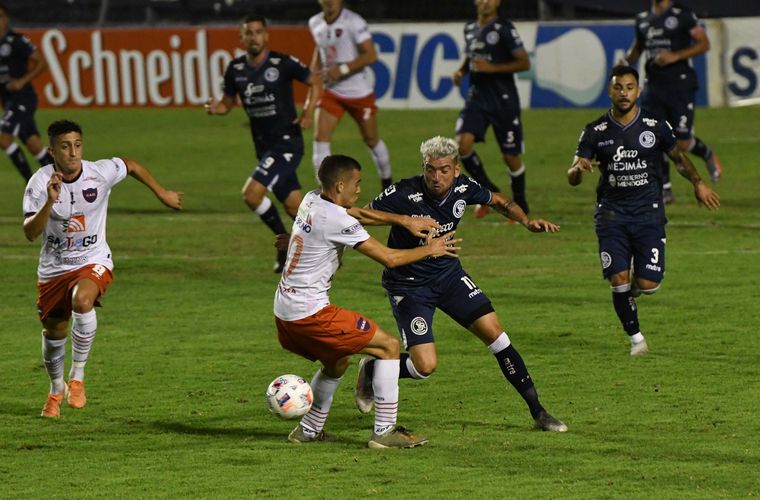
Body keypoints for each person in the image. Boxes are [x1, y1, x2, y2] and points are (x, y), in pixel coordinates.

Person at [355, 136, 568, 433]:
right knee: (425, 366)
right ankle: (374, 367)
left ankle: (538, 412)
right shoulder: (404, 192)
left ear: (456, 170)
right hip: (410, 286)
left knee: (496, 335)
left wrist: (526, 221)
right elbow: (358, 214)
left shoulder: (464, 187)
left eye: (444, 170)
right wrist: (403, 220)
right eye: (430, 169)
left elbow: (498, 201)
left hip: (449, 277)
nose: (436, 177)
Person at [275, 154, 460, 448]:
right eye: (357, 183)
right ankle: (384, 432)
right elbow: (389, 258)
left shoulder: (312, 199)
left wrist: (404, 220)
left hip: (285, 312)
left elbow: (357, 213)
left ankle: (308, 430)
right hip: (311, 313)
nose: (360, 189)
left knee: (337, 361)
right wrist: (431, 249)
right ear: (340, 186)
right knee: (388, 346)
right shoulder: (336, 219)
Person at [23, 119, 183, 418]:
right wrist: (50, 201)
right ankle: (56, 389)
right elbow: (30, 233)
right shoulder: (39, 183)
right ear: (52, 151)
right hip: (54, 269)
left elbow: (131, 165)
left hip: (93, 259)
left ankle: (77, 377)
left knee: (83, 301)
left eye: (77, 145)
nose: (73, 152)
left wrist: (161, 193)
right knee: (54, 332)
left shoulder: (98, 173)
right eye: (65, 147)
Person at [567, 65, 719, 355]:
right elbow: (572, 177)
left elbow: (679, 158)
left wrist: (698, 183)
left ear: (638, 90)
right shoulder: (594, 131)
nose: (624, 93)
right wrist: (577, 169)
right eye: (618, 87)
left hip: (648, 213)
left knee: (648, 284)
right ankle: (636, 338)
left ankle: (635, 287)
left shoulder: (655, 125)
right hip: (611, 215)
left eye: (629, 87)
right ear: (609, 91)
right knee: (618, 279)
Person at [205, 15, 317, 273]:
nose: (253, 37)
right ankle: (326, 247)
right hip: (264, 148)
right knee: (294, 206)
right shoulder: (235, 69)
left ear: (266, 35)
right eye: (248, 33)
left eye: (258, 32)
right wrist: (216, 108)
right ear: (241, 38)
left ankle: (284, 244)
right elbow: (227, 103)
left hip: (287, 143)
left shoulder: (282, 63)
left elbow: (315, 81)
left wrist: (309, 112)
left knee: (252, 194)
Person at [622, 0, 723, 204]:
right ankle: (665, 189)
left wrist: (675, 56)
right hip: (653, 87)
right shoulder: (642, 19)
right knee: (654, 137)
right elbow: (638, 48)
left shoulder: (682, 15)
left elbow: (704, 43)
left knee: (682, 142)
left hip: (679, 85)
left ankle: (706, 153)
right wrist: (625, 62)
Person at [452, 0, 531, 219]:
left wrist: (492, 68)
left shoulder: (505, 28)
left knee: (510, 156)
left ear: (498, 2)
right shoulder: (469, 28)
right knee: (462, 145)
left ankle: (521, 204)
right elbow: (472, 56)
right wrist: (461, 71)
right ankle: (492, 194)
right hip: (477, 97)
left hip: (503, 99)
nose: (486, 2)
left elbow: (524, 63)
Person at [307, 0, 393, 190]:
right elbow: (320, 50)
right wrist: (313, 75)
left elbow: (370, 55)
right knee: (320, 138)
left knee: (371, 140)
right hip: (332, 92)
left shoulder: (354, 21)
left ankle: (387, 182)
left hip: (359, 93)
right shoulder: (315, 22)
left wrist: (343, 69)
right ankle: (324, 193)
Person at [0, 2, 54, 183]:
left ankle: (30, 183)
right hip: (9, 100)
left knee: (3, 139)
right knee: (34, 146)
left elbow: (42, 62)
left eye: (0, 16)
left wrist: (21, 81)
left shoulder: (16, 41)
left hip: (23, 98)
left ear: (6, 19)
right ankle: (66, 182)